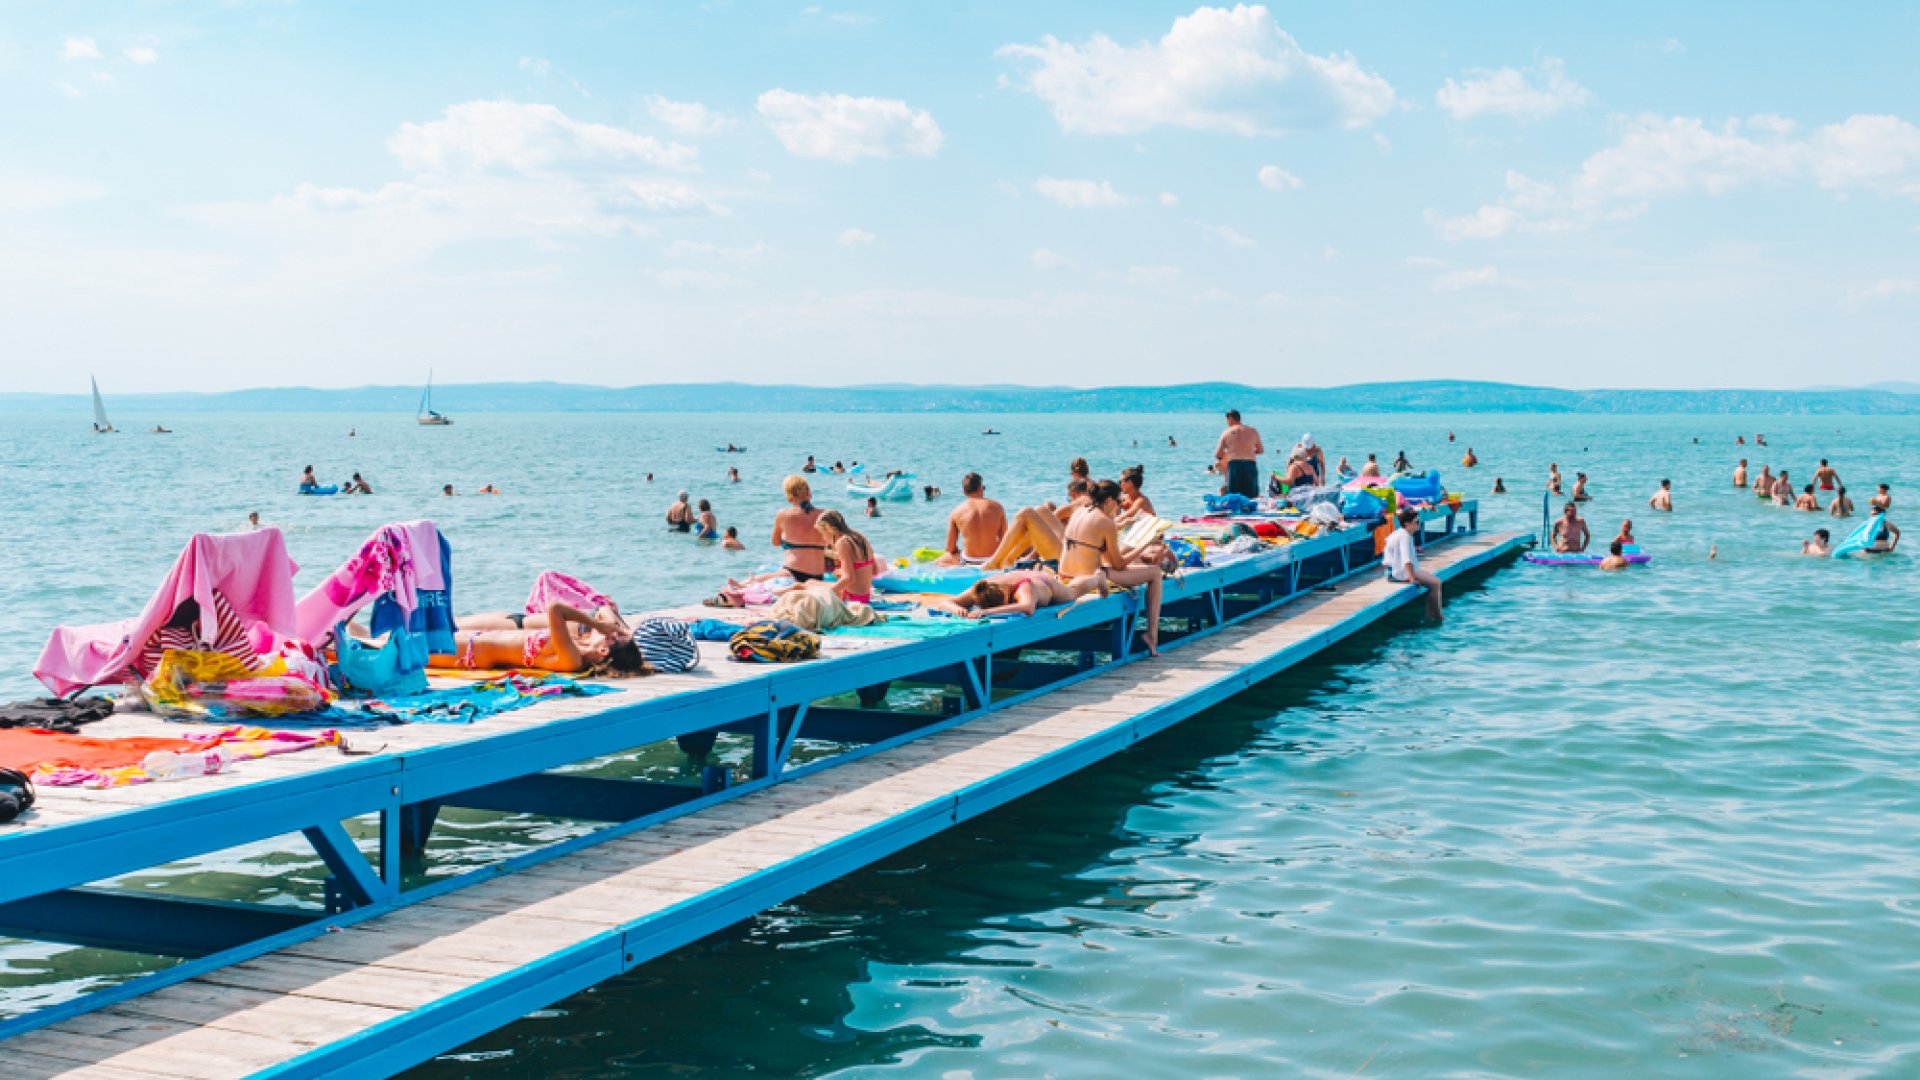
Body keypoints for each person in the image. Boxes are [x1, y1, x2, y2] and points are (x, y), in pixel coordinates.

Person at [436, 603, 645, 675]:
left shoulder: (572, 659)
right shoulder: (577, 644)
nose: (610, 632)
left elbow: (556, 609)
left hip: (470, 651)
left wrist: (598, 625)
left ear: (603, 651)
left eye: (612, 637)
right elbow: (603, 609)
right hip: (475, 640)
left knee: (420, 643)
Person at [929, 570, 1097, 619]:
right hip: (1016, 576)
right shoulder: (981, 588)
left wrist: (987, 612)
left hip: (1044, 584)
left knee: (1073, 592)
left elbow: (1027, 607)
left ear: (1005, 592)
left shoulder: (1023, 587)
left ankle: (1097, 578)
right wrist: (957, 609)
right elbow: (945, 602)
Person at [1382, 508, 1443, 620]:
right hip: (1397, 572)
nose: (1419, 524)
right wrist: (1412, 579)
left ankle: (1431, 615)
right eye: (1416, 522)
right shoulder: (1404, 536)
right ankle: (1437, 616)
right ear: (1407, 523)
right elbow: (1407, 560)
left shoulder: (1401, 533)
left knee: (1434, 582)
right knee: (1435, 584)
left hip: (1392, 571)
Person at [771, 476, 829, 582]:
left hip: (792, 572)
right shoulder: (825, 515)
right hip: (818, 575)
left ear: (788, 497)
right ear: (808, 492)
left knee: (756, 580)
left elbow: (775, 542)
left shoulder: (783, 514)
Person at [815, 510, 880, 604]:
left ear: (829, 529)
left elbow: (849, 578)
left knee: (808, 585)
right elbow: (875, 571)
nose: (823, 537)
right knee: (811, 584)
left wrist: (827, 593)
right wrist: (843, 572)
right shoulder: (861, 537)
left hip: (851, 599)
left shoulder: (842, 543)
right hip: (865, 597)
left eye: (822, 533)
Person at [943, 472, 1007, 565]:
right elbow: (1005, 539)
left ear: (964, 492)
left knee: (943, 559)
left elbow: (950, 547)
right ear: (980, 488)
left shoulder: (956, 512)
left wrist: (957, 551)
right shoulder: (997, 507)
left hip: (969, 560)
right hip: (993, 559)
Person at [1214, 410, 1264, 499]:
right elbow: (1260, 450)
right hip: (1250, 464)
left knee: (1233, 496)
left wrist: (1230, 453)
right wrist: (1248, 451)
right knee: (1251, 496)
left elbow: (1218, 454)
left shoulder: (1227, 432)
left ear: (1230, 419)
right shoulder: (1252, 431)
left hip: (1234, 465)